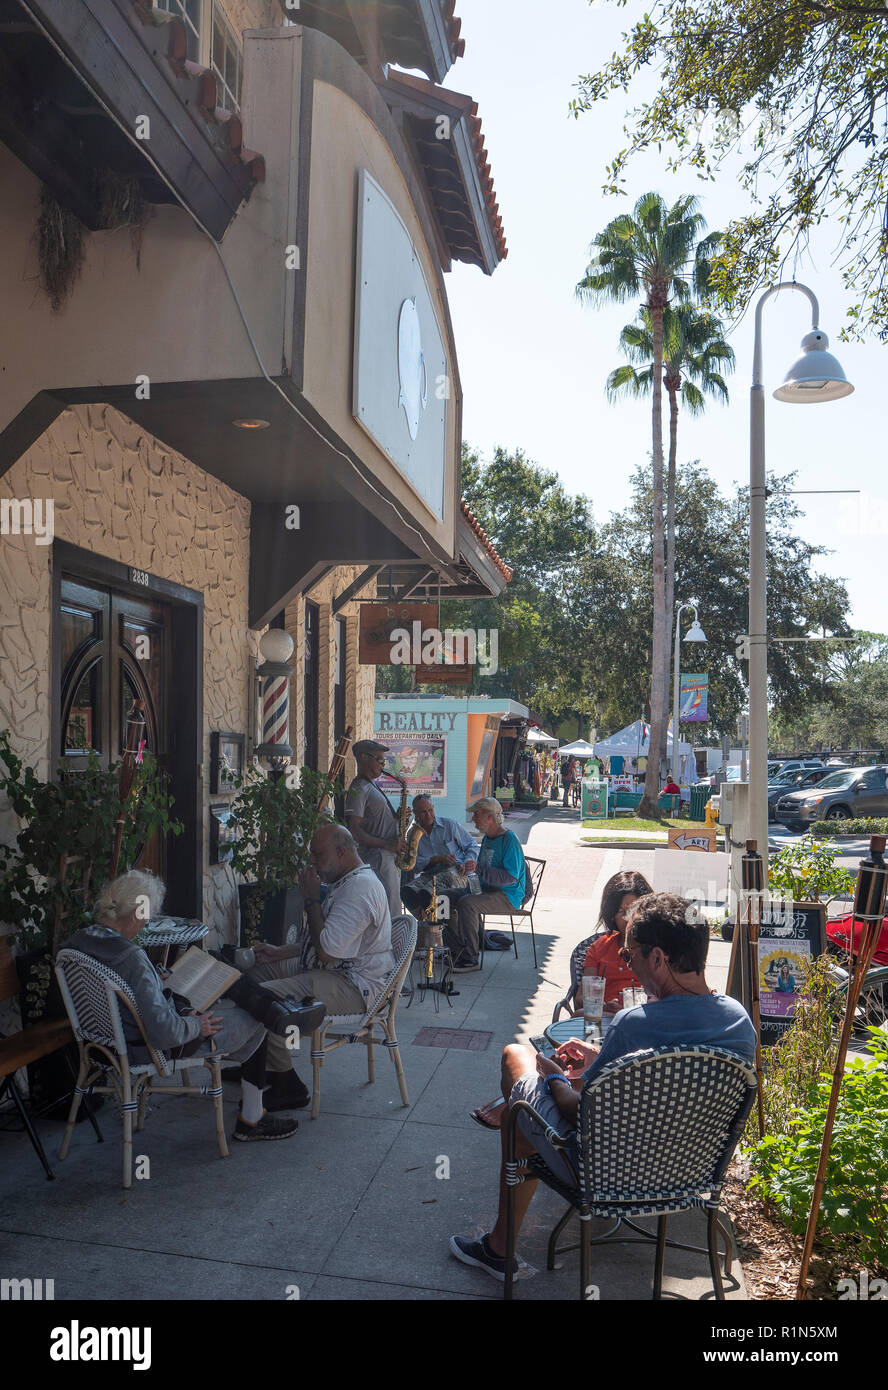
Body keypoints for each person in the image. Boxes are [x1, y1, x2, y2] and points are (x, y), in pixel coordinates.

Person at [449, 892, 757, 1281]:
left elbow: (578, 1111)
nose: (628, 964)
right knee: (519, 1120)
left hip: (608, 1174)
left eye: (629, 955)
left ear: (657, 958)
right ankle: (498, 1244)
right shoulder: (738, 1021)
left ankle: (499, 1248)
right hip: (690, 1172)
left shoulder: (634, 1024)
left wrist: (554, 1075)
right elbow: (672, 1078)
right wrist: (601, 1059)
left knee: (517, 1063)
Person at [67, 871, 300, 1142]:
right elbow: (165, 1032)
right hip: (154, 1046)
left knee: (224, 974)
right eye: (146, 917)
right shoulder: (131, 958)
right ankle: (252, 1116)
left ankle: (275, 1009)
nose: (145, 924)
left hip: (103, 1044)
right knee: (257, 1016)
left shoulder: (79, 943)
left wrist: (155, 979)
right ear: (135, 914)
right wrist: (195, 1025)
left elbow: (118, 987)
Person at [247, 823, 395, 1099]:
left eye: (318, 854)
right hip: (331, 970)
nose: (313, 862)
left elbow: (327, 951)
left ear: (341, 852)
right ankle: (257, 1063)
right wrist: (281, 952)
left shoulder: (360, 889)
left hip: (354, 985)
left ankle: (286, 1082)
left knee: (265, 998)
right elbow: (330, 940)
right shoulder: (347, 880)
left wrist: (311, 900)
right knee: (252, 976)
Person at [447, 798, 526, 973]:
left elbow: (510, 877)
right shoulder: (488, 839)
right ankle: (455, 949)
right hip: (487, 891)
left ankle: (470, 958)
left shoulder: (509, 839)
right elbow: (483, 871)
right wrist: (468, 869)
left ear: (490, 817)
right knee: (443, 899)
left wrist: (479, 869)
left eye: (477, 815)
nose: (473, 819)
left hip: (508, 895)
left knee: (467, 904)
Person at [570, 870, 653, 1015]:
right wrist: (603, 1006)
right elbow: (581, 998)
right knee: (579, 1014)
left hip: (645, 1016)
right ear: (612, 915)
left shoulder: (657, 948)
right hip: (605, 1016)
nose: (629, 919)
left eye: (634, 911)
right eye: (622, 911)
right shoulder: (600, 947)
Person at [344, 739, 406, 919]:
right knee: (390, 913)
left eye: (384, 761)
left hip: (386, 857)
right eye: (379, 760)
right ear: (364, 757)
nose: (383, 764)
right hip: (378, 858)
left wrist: (399, 817)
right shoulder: (359, 787)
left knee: (393, 908)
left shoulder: (371, 785)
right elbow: (354, 830)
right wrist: (387, 844)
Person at [400, 795, 479, 918]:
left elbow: (472, 845)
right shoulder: (412, 834)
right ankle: (428, 922)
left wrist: (467, 862)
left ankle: (440, 924)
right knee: (407, 892)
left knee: (429, 893)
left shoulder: (450, 825)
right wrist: (434, 859)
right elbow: (414, 866)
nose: (428, 815)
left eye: (430, 810)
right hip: (430, 874)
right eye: (423, 812)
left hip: (457, 872)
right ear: (415, 813)